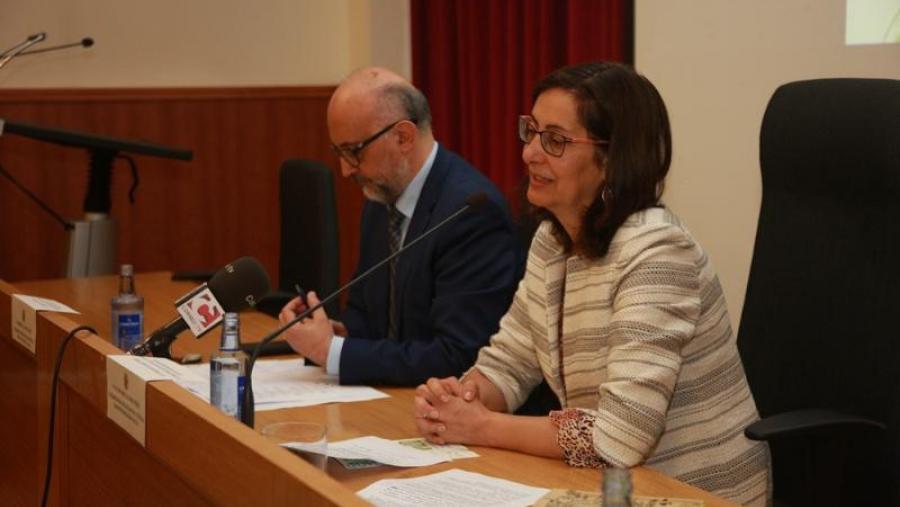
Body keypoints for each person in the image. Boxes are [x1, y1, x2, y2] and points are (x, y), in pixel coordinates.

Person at [413, 62, 771, 506]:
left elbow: (621, 437)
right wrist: (460, 399)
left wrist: (481, 426)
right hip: (609, 489)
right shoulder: (552, 240)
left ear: (612, 158)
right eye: (531, 131)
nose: (529, 154)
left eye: (555, 140)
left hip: (695, 491)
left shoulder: (658, 252)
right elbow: (510, 362)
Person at [279, 67, 522, 386]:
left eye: (353, 152)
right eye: (338, 153)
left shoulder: (470, 213)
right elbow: (368, 317)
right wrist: (336, 334)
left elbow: (459, 356)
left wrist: (335, 353)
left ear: (403, 137)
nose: (345, 170)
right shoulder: (380, 199)